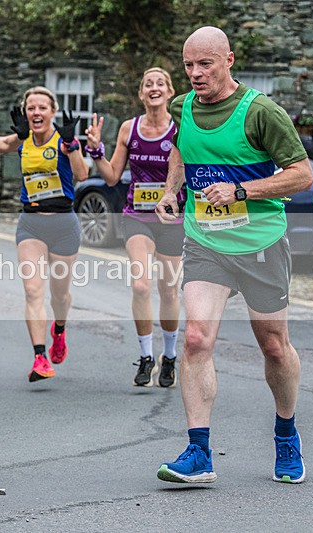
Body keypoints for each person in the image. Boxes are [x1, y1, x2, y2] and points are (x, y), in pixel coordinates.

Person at [155, 27, 313, 484]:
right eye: (188, 65)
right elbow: (181, 151)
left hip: (260, 243)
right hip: (205, 240)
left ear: (228, 60)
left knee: (274, 347)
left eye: (205, 64)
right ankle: (199, 453)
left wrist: (242, 189)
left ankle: (286, 433)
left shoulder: (261, 112)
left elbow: (300, 175)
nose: (195, 73)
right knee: (196, 339)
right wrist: (172, 191)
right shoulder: (183, 107)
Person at [0, 87, 89, 381]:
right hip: (31, 223)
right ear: (25, 112)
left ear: (52, 111)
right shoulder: (22, 140)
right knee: (32, 290)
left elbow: (81, 175)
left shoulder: (64, 141)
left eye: (42, 108)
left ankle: (60, 329)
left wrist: (72, 143)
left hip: (64, 224)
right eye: (31, 108)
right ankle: (40, 356)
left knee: (60, 294)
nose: (36, 113)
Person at [85, 68, 184, 388]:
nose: (153, 88)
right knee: (141, 285)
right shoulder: (130, 128)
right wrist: (96, 150)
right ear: (141, 94)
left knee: (168, 288)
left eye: (160, 83)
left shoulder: (180, 128)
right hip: (137, 216)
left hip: (171, 218)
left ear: (169, 92)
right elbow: (112, 176)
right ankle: (145, 356)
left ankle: (169, 356)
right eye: (147, 84)